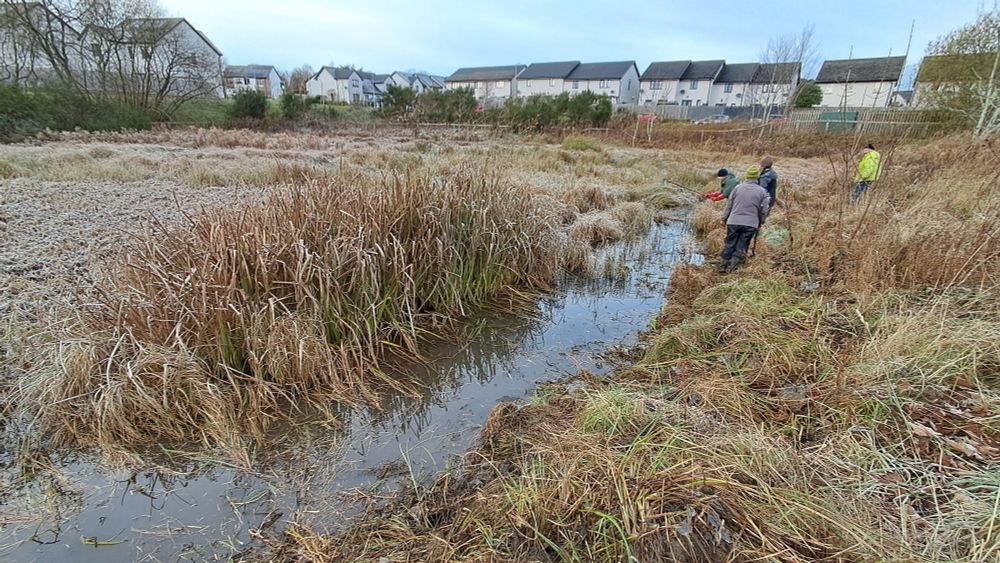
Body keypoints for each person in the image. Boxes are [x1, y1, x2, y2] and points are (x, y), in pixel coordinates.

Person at [719, 165, 770, 273]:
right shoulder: (762, 192)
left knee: (730, 242)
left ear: (747, 176)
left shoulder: (737, 188)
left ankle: (723, 265)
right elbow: (764, 210)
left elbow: (729, 205)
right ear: (757, 177)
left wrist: (724, 218)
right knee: (742, 244)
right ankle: (733, 267)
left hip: (733, 221)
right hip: (751, 224)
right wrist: (761, 221)